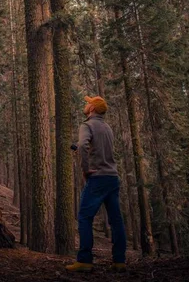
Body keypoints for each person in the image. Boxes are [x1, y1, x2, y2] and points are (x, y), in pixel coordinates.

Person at [66, 96, 127, 273]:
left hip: (97, 178)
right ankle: (119, 261)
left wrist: (86, 169)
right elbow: (93, 147)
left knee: (85, 217)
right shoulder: (107, 127)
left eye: (88, 102)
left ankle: (84, 261)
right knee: (116, 220)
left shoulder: (87, 125)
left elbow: (85, 145)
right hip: (112, 178)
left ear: (92, 107)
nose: (86, 104)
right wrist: (77, 148)